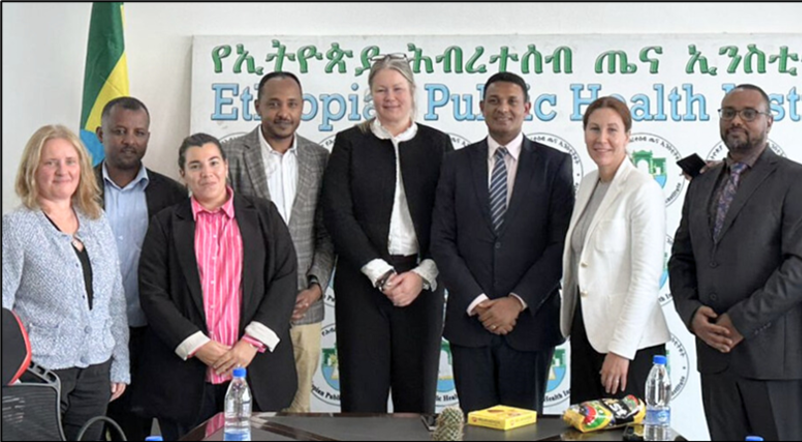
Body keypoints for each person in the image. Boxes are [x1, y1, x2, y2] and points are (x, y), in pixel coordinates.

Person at [669, 84, 802, 441]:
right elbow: (681, 258)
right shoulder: (702, 183)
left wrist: (740, 322)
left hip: (776, 362)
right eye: (728, 113)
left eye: (749, 113)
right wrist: (691, 314)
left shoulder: (798, 180)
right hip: (716, 359)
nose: (736, 120)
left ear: (769, 121)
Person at [134, 134, 298, 441]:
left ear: (225, 166)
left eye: (213, 163)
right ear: (183, 174)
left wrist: (251, 343)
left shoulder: (263, 215)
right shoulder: (165, 223)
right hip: (185, 380)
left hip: (254, 374)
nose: (206, 173)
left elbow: (285, 278)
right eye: (195, 166)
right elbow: (152, 292)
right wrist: (198, 346)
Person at [431, 72, 575, 413]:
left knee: (524, 431)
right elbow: (441, 240)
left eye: (512, 101)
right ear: (482, 107)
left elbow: (560, 245)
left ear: (527, 108)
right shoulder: (455, 163)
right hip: (471, 324)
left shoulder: (554, 164)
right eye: (494, 101)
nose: (503, 108)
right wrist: (479, 302)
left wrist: (516, 302)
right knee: (475, 429)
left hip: (530, 325)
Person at [320, 54, 452, 413]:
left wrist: (423, 274)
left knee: (417, 402)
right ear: (371, 95)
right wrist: (379, 272)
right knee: (362, 401)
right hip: (362, 285)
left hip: (422, 286)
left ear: (412, 91)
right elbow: (337, 214)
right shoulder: (349, 143)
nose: (390, 97)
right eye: (381, 90)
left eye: (397, 89)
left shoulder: (438, 145)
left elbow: (449, 219)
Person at [2, 125, 129, 441]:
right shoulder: (16, 226)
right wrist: (7, 372)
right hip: (38, 373)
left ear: (82, 168)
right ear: (33, 169)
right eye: (51, 162)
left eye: (70, 161)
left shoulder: (97, 220)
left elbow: (115, 298)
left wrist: (120, 363)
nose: (63, 171)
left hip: (96, 370)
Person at [225, 71, 335, 413]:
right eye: (274, 104)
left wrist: (316, 287)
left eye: (292, 104)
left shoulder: (320, 158)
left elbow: (327, 232)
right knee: (245, 411)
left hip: (304, 308)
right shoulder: (229, 155)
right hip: (245, 311)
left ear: (303, 108)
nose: (283, 113)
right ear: (257, 106)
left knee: (298, 413)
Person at [560, 96, 670, 404]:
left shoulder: (642, 189)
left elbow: (646, 278)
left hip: (629, 344)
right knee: (584, 426)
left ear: (627, 136)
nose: (602, 139)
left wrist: (621, 349)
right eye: (594, 129)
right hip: (586, 332)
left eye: (612, 130)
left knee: (626, 428)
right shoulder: (588, 183)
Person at [94, 96, 186, 441]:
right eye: (119, 131)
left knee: (134, 429)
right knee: (86, 426)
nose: (129, 140)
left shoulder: (173, 195)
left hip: (150, 333)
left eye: (139, 132)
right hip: (93, 333)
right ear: (101, 134)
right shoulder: (76, 189)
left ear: (148, 136)